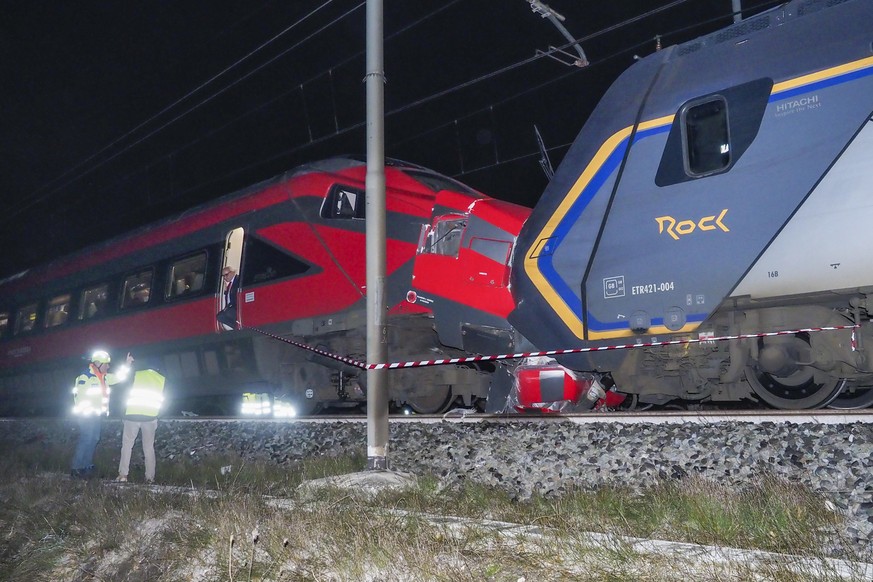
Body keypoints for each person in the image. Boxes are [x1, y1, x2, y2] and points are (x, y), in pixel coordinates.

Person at [70, 350, 133, 479]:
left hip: (95, 415)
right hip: (86, 415)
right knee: (86, 439)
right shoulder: (85, 377)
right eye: (106, 364)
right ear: (98, 363)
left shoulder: (103, 377)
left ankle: (86, 466)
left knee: (93, 439)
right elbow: (80, 397)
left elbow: (118, 377)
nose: (108, 366)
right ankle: (76, 468)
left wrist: (127, 365)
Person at [116, 358, 166, 484]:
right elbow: (165, 401)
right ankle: (150, 478)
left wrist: (123, 413)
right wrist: (157, 415)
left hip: (132, 416)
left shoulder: (137, 375)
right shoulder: (162, 379)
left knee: (127, 446)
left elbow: (124, 393)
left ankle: (123, 475)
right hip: (150, 418)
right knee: (149, 448)